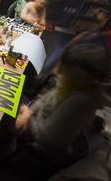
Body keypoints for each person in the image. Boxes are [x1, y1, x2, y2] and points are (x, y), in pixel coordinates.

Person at [9, 41, 110, 179]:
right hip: (41, 122)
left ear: (77, 73)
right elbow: (45, 99)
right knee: (14, 96)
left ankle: (3, 149)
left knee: (4, 111)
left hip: (44, 146)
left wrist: (26, 115)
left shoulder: (79, 101)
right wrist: (29, 111)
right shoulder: (75, 85)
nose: (57, 69)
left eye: (63, 67)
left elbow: (44, 137)